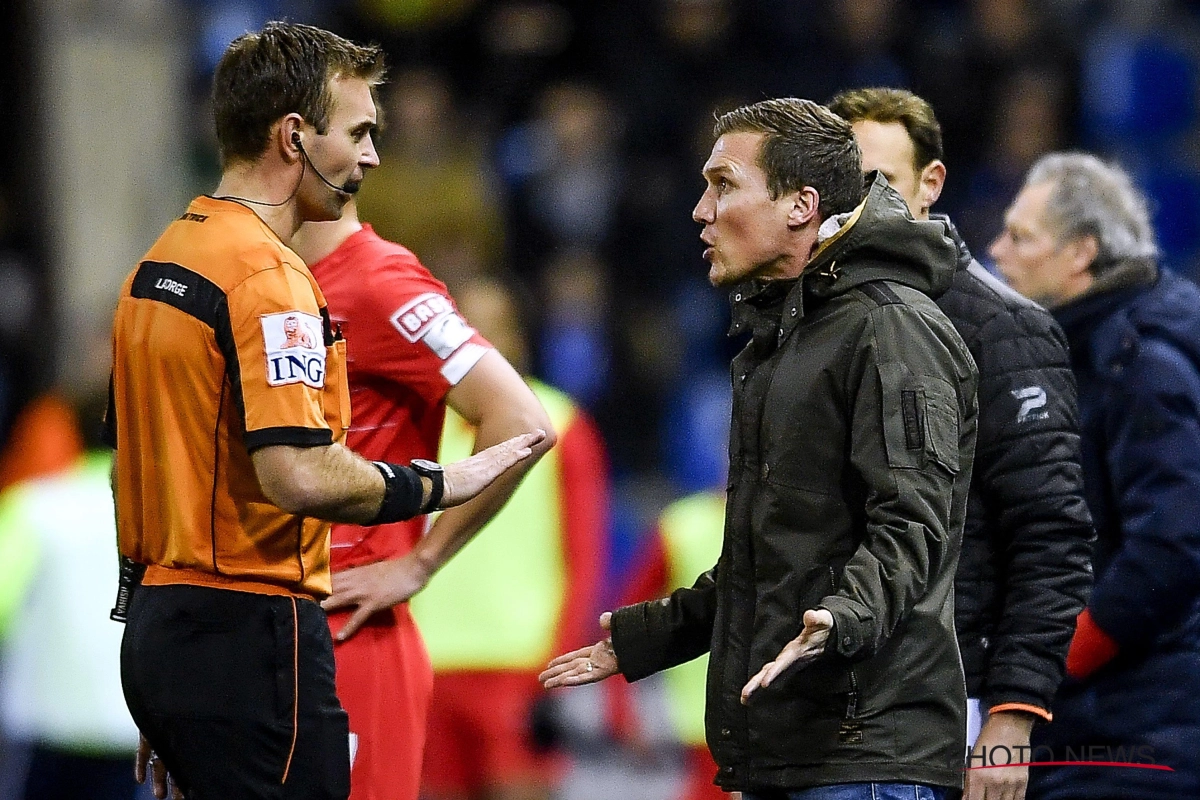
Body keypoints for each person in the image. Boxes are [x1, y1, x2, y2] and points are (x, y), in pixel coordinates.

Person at [106, 22, 543, 800]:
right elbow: (297, 474)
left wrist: (418, 563)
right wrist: (437, 486)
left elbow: (522, 420)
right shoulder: (269, 280)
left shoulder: (167, 261)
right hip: (271, 631)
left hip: (253, 627)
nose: (374, 156)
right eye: (361, 132)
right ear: (295, 136)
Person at [542, 97, 979, 800]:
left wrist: (842, 618)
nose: (700, 210)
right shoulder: (785, 342)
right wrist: (645, 638)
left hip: (864, 756)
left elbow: (914, 523)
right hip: (795, 750)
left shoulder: (891, 328)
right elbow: (773, 561)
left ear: (800, 205)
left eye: (723, 185)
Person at [827, 88, 1094, 800]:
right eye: (844, 186)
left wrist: (1011, 716)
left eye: (880, 182)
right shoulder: (802, 326)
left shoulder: (1002, 329)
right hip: (818, 718)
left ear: (931, 184)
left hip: (945, 715)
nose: (860, 205)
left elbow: (1051, 536)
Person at [289, 210, 556, 800]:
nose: (370, 156)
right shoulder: (254, 283)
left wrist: (421, 562)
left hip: (502, 660)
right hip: (414, 641)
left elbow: (580, 549)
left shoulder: (567, 419)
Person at [990, 152, 1200, 799]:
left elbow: (1172, 544)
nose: (998, 251)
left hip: (1139, 736)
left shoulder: (1138, 363)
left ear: (1081, 252)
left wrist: (1045, 669)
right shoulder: (1077, 354)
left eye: (1021, 237)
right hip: (1102, 727)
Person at [409, 276, 607, 800]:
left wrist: (560, 665)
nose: (483, 342)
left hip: (520, 668)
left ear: (518, 336)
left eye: (496, 327)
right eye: (468, 329)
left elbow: (584, 558)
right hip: (428, 668)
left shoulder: (561, 423)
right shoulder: (419, 425)